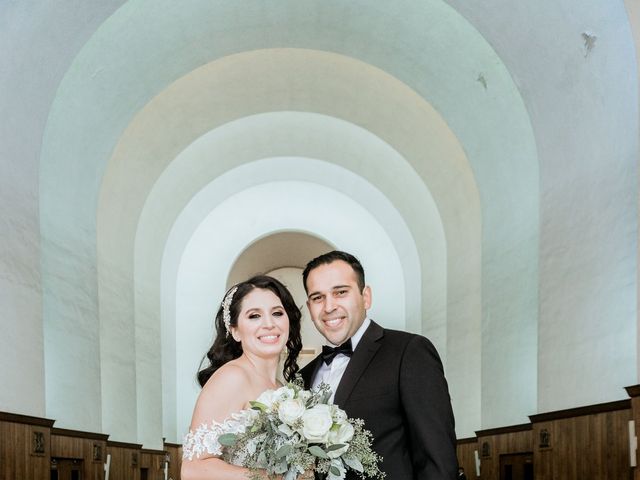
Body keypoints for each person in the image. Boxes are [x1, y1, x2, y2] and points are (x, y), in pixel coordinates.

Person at [300, 251, 458, 479]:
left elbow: (437, 460)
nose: (328, 306)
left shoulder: (409, 352)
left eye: (341, 292)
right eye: (318, 298)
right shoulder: (304, 376)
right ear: (309, 307)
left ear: (366, 297)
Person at [181, 275, 304, 480]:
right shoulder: (233, 377)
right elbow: (192, 470)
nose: (269, 324)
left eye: (277, 313)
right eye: (254, 316)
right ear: (235, 331)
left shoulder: (282, 388)